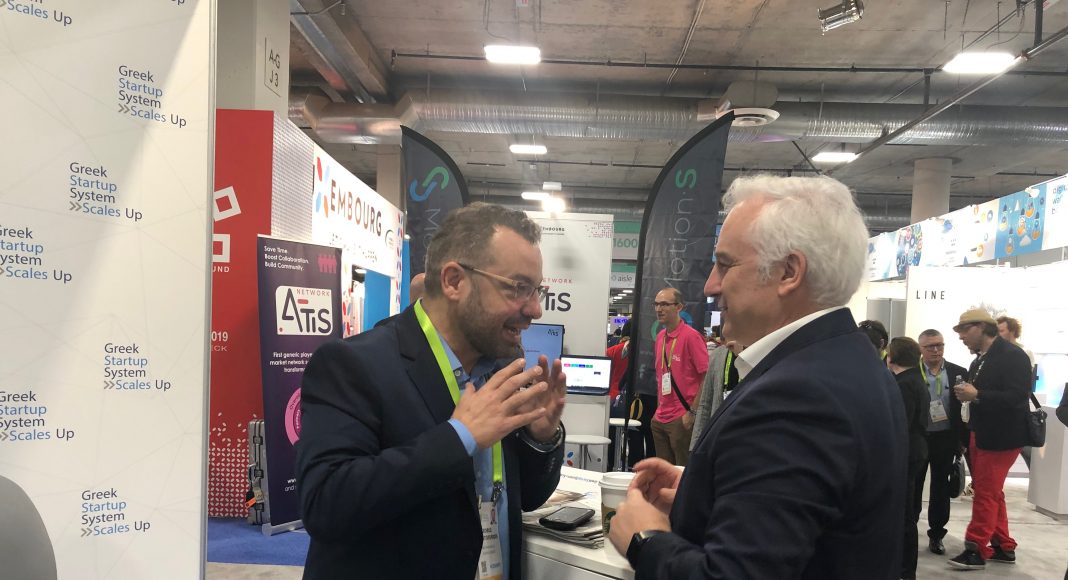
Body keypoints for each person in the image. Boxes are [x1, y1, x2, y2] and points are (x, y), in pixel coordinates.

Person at [608, 174, 907, 579]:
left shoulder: (795, 396)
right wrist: (704, 490)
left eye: (725, 264)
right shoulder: (852, 360)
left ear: (789, 272)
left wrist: (644, 540)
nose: (710, 286)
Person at [296, 203, 567, 580]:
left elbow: (527, 498)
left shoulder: (502, 370)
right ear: (454, 281)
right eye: (518, 288)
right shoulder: (353, 365)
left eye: (537, 290)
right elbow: (326, 504)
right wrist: (459, 437)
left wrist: (542, 437)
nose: (535, 309)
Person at [948, 308, 1032, 570]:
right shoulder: (980, 360)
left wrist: (978, 395)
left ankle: (975, 549)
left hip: (1001, 437)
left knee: (985, 493)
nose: (961, 336)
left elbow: (1018, 397)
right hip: (982, 433)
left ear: (981, 327)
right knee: (992, 492)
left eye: (964, 330)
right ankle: (1003, 545)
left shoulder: (1012, 356)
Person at [915, 329, 969, 555]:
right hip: (919, 438)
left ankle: (937, 534)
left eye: (940, 345)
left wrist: (962, 440)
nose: (936, 350)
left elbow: (965, 409)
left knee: (940, 488)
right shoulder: (912, 372)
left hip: (945, 438)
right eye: (930, 346)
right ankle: (908, 530)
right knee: (914, 486)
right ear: (921, 349)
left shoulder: (958, 372)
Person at [886, 336, 930, 580]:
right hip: (915, 449)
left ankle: (904, 569)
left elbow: (900, 423)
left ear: (891, 357)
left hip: (906, 453)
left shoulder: (903, 384)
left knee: (903, 514)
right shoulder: (915, 379)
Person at [650, 287, 708, 466]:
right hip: (660, 417)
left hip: (681, 417)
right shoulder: (661, 337)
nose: (659, 309)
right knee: (663, 472)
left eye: (664, 304)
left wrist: (692, 413)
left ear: (679, 307)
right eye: (656, 304)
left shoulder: (691, 337)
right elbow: (661, 376)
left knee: (682, 472)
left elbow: (706, 376)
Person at [688, 339, 741, 452]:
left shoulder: (761, 354)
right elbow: (705, 403)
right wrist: (696, 445)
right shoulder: (718, 354)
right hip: (719, 435)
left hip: (743, 439)